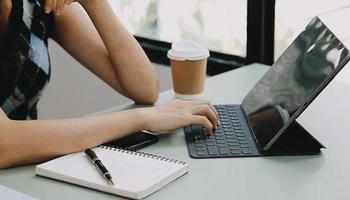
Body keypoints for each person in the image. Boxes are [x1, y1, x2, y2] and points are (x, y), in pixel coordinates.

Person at [0, 0, 219, 169]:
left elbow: (144, 87)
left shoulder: (36, 5)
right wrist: (143, 118)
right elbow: (5, 143)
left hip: (23, 173)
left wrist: (95, 4)